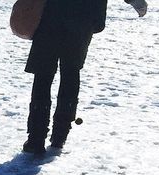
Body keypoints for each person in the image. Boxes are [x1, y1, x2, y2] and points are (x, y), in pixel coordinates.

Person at [24, 0, 148, 155]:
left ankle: (36, 138)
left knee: (43, 76)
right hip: (83, 18)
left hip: (50, 16)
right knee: (70, 73)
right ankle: (60, 136)